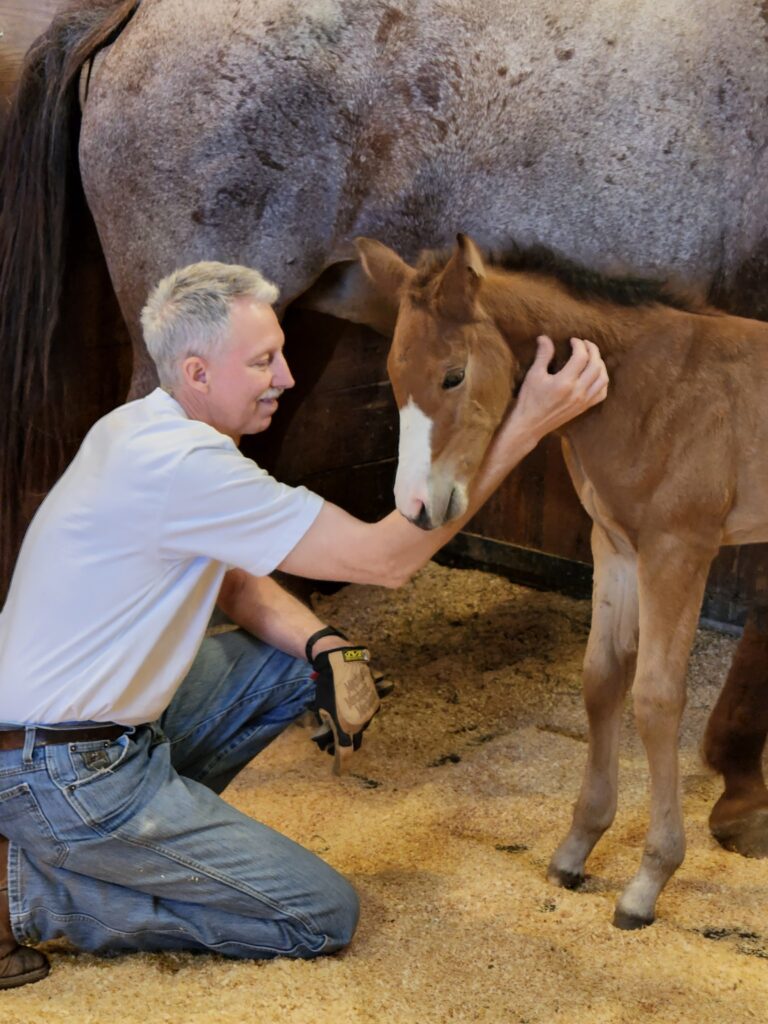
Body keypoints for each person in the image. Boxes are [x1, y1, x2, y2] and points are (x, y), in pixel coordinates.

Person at [0, 262, 608, 987]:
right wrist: (523, 429)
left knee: (298, 658)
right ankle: (32, 896)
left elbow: (230, 574)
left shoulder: (139, 425)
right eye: (262, 361)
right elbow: (385, 558)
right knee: (318, 914)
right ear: (197, 371)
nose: (286, 377)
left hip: (65, 746)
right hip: (67, 771)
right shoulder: (183, 464)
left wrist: (327, 646)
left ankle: (102, 844)